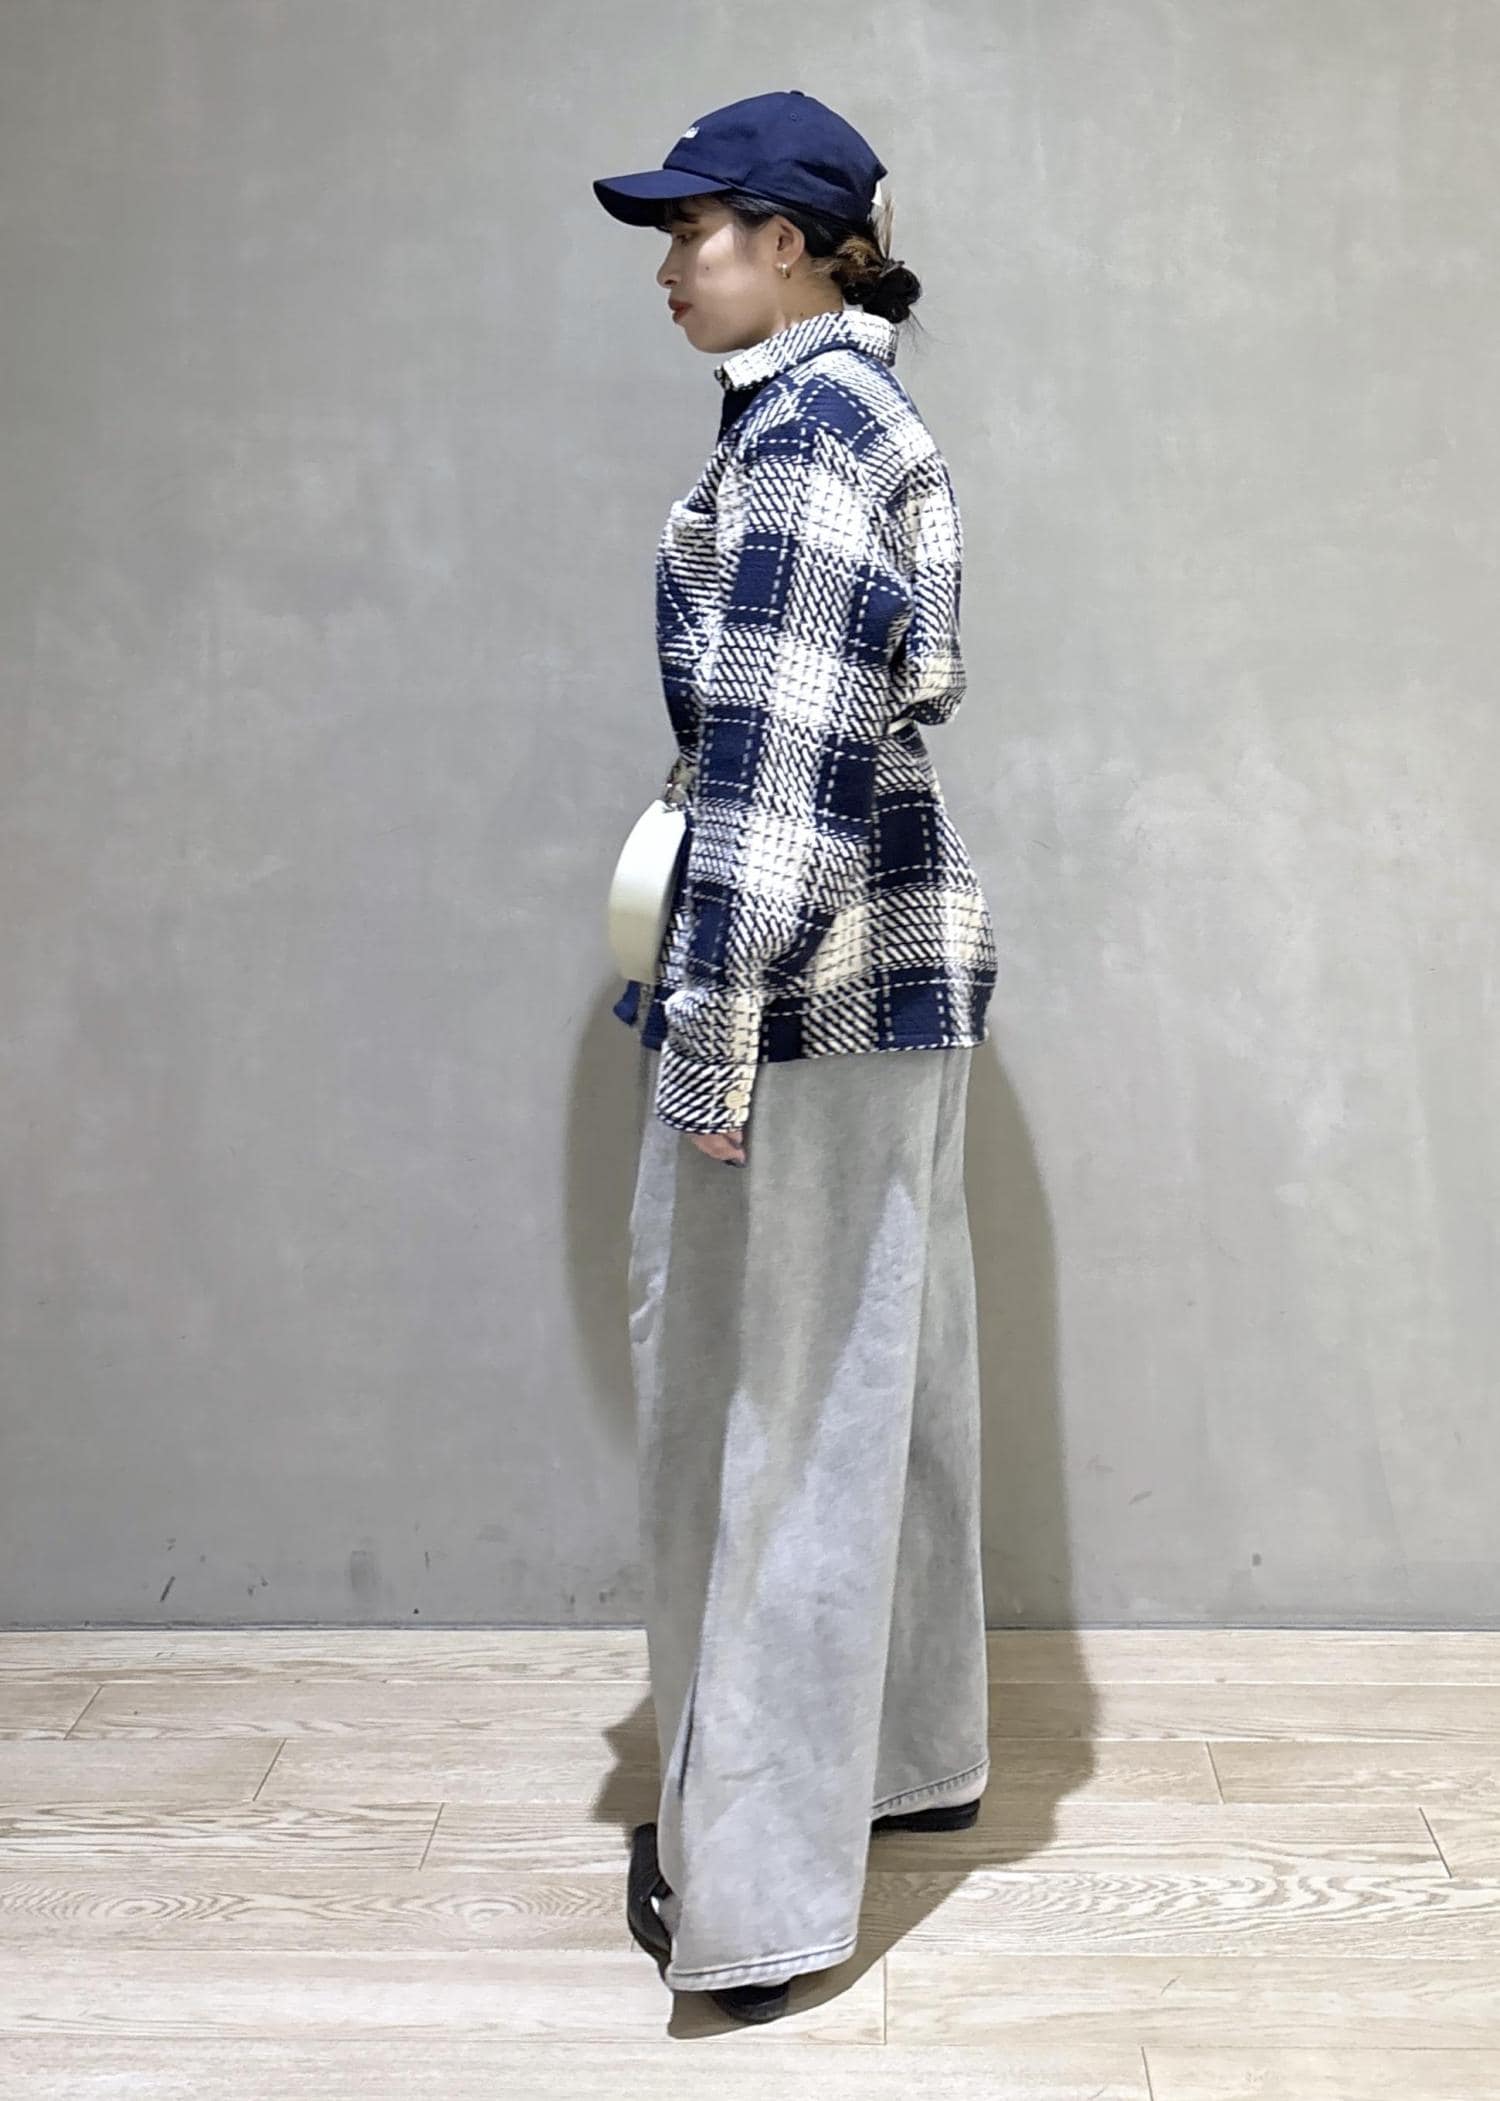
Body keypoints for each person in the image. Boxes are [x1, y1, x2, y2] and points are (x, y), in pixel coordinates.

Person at [593, 89, 996, 2027]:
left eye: (700, 228)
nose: (672, 265)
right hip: (895, 969)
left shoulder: (805, 437)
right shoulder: (853, 416)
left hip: (806, 992)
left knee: (764, 1422)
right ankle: (912, 1760)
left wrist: (712, 1033)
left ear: (797, 242)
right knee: (875, 1393)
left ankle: (751, 1901)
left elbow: (775, 762)